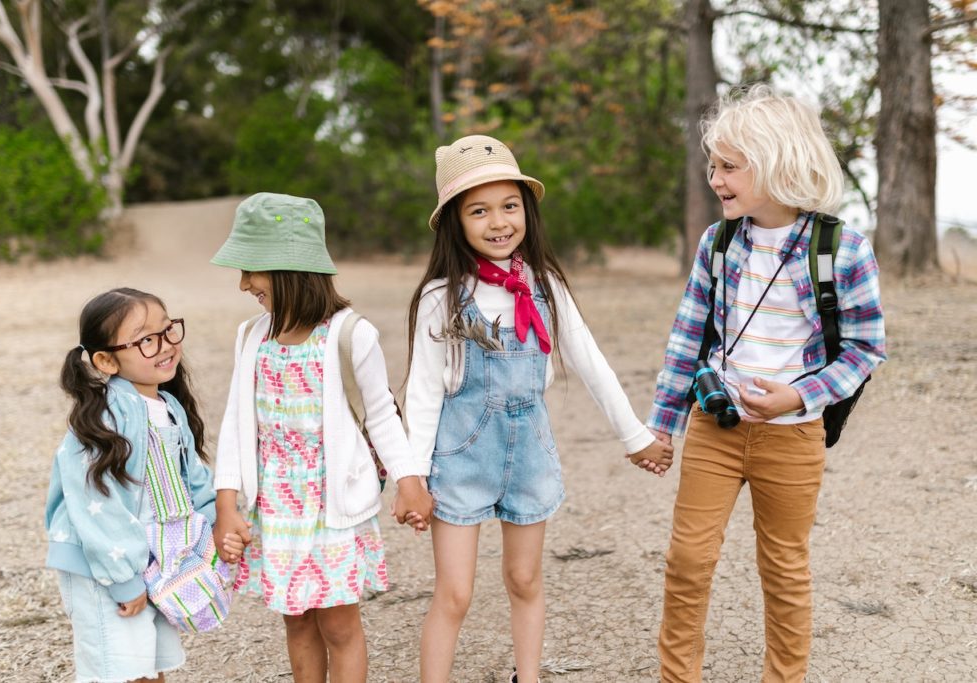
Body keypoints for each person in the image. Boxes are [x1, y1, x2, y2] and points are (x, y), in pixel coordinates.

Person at [405, 134, 675, 683]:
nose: (498, 221)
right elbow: (423, 392)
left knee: (524, 578)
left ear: (526, 209)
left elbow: (590, 361)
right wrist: (411, 475)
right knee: (454, 594)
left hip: (529, 454)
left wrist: (634, 435)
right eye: (479, 211)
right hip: (460, 459)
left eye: (509, 206)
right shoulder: (440, 296)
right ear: (456, 222)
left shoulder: (546, 288)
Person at [643, 85, 887, 682]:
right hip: (715, 427)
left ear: (777, 162)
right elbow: (686, 338)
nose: (716, 179)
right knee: (688, 561)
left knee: (783, 567)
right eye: (713, 166)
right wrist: (662, 426)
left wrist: (799, 395)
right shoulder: (719, 244)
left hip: (792, 438)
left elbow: (865, 348)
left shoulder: (843, 250)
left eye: (730, 167)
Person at [210, 193, 433, 683]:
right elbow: (234, 423)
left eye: (251, 269)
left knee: (338, 623)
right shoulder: (251, 336)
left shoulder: (351, 335)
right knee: (295, 617)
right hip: (276, 508)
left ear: (289, 270)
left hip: (332, 508)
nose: (244, 284)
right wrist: (227, 500)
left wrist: (409, 481)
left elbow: (380, 415)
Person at [46, 287, 243, 683]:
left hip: (151, 558)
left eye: (168, 331)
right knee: (119, 668)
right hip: (104, 567)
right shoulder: (103, 420)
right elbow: (95, 503)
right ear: (106, 360)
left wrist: (219, 522)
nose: (165, 345)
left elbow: (192, 479)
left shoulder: (168, 407)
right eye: (146, 340)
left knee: (150, 664)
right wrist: (123, 579)